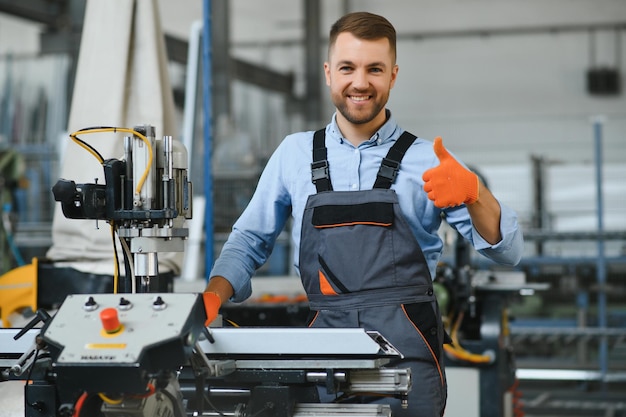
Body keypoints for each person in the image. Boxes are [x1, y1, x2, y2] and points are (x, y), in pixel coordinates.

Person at [202, 11, 523, 417]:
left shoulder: (430, 159)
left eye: (374, 69)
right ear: (328, 73)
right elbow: (249, 239)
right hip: (324, 353)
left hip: (408, 350)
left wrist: (476, 193)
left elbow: (508, 251)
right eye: (347, 67)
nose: (360, 82)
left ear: (393, 75)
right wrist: (214, 294)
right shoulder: (294, 154)